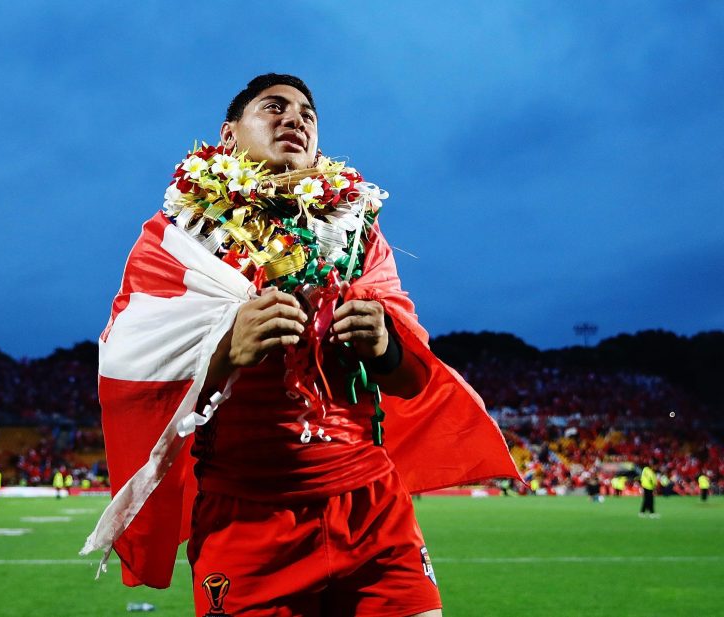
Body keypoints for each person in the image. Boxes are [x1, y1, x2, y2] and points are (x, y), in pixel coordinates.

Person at [84, 74, 518, 617]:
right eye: (274, 107)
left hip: (370, 507)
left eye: (308, 114)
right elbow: (129, 362)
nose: (296, 119)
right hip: (249, 520)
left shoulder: (356, 231)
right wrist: (223, 351)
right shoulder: (182, 235)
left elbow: (412, 377)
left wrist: (384, 344)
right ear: (228, 134)